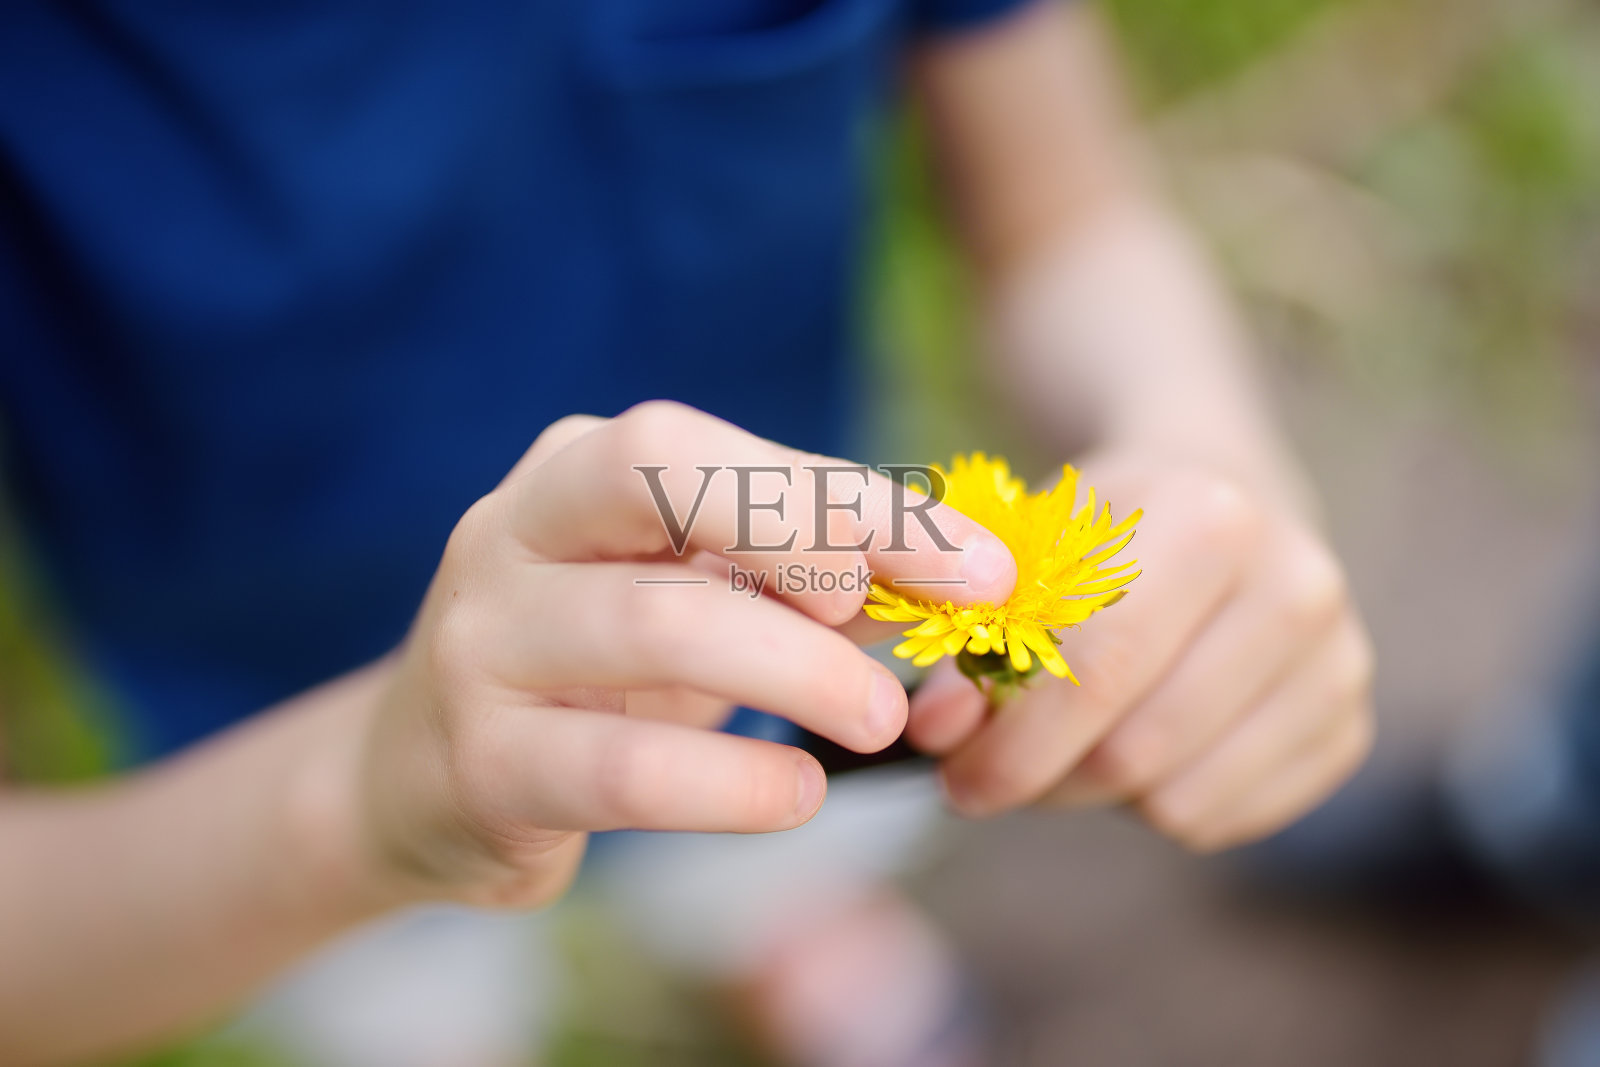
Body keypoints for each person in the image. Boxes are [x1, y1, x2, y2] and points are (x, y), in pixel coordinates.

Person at [0, 1, 1376, 1064]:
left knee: (781, 828)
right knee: (405, 981)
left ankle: (780, 934)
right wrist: (362, 809)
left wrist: (1205, 442)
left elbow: (1071, 214)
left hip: (801, 649)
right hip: (261, 740)